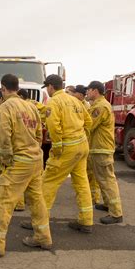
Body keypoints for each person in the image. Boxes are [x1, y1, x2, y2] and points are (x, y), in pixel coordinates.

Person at [0, 74, 52, 259]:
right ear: (17, 87)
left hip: (20, 161)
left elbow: (4, 137)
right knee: (36, 199)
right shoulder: (31, 107)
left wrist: (7, 159)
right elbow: (40, 133)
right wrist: (34, 151)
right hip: (35, 160)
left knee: (0, 197)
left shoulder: (5, 107)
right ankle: (43, 237)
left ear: (3, 88)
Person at [23, 75, 94, 233]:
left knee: (48, 182)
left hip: (66, 149)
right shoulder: (75, 100)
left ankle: (39, 221)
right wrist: (81, 137)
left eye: (47, 88)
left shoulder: (54, 102)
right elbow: (88, 122)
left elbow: (54, 127)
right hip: (82, 146)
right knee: (82, 184)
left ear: (50, 87)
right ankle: (86, 220)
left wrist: (57, 146)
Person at [86, 81, 123, 224]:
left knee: (107, 180)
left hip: (101, 149)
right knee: (103, 179)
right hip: (98, 148)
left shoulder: (100, 107)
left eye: (89, 90)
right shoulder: (98, 105)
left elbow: (89, 124)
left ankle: (116, 214)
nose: (87, 93)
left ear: (95, 91)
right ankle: (108, 204)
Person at [70, 85, 102, 205]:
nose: (71, 95)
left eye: (73, 93)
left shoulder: (91, 106)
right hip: (87, 143)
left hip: (91, 144)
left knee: (92, 174)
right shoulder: (87, 105)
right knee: (87, 173)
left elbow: (89, 124)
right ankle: (90, 197)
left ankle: (94, 198)